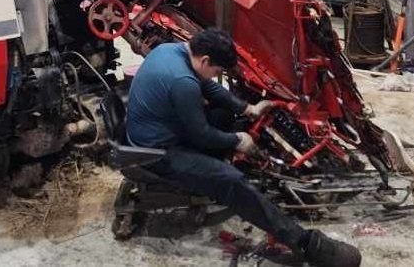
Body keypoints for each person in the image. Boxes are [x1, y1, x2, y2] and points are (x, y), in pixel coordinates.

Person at [126, 28, 361, 267]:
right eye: (217, 71)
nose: (216, 75)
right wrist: (238, 140)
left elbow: (209, 88)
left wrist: (247, 109)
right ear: (205, 60)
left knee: (224, 114)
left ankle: (245, 180)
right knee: (231, 180)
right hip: (157, 153)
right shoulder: (183, 82)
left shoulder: (172, 51)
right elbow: (201, 135)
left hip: (156, 129)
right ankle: (304, 243)